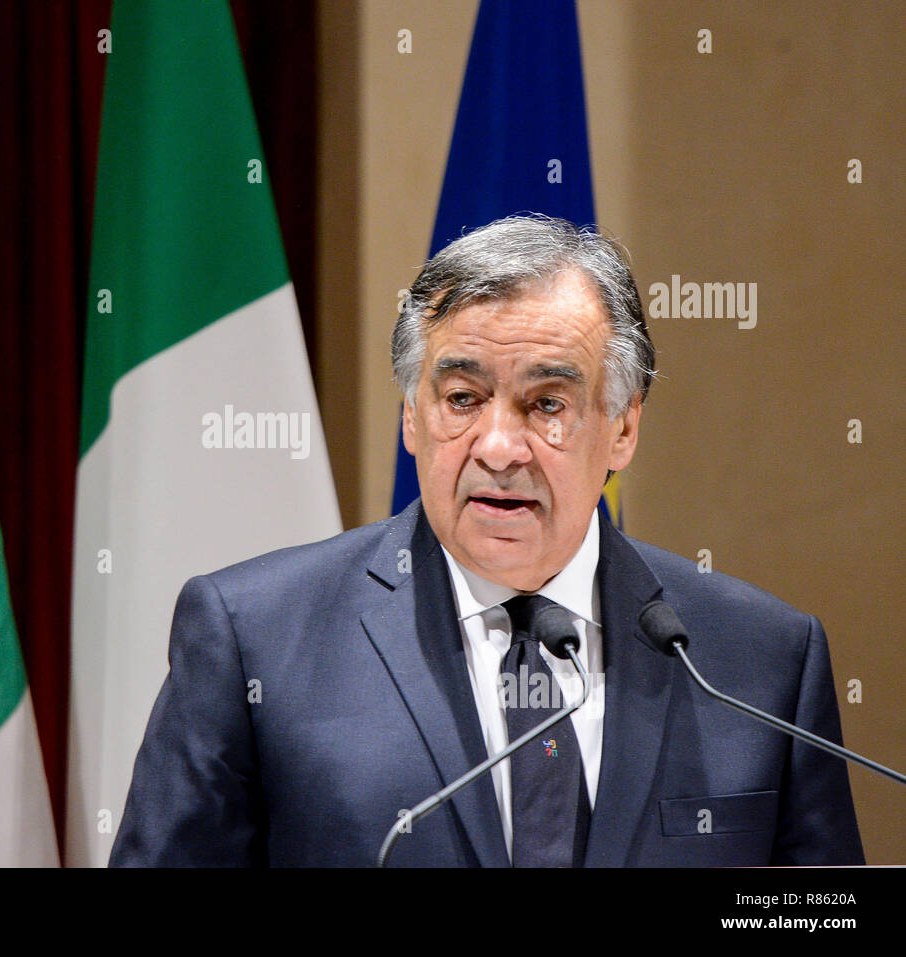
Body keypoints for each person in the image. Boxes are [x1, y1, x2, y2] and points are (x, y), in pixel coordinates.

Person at [109, 215, 864, 867]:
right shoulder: (256, 638)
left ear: (624, 425)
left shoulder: (761, 663)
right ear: (412, 415)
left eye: (546, 403)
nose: (498, 446)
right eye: (462, 398)